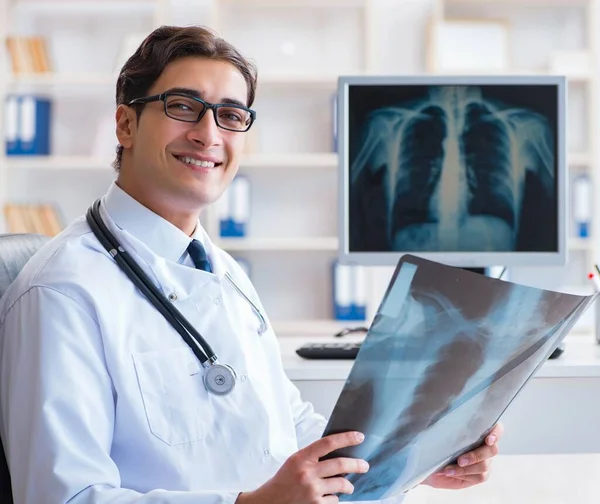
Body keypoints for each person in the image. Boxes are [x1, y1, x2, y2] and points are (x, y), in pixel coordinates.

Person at [0, 25, 502, 503]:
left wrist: (409, 461)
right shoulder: (62, 292)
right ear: (125, 123)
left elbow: (284, 424)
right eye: (183, 106)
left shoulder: (224, 270)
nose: (208, 134)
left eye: (231, 115)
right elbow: (61, 496)